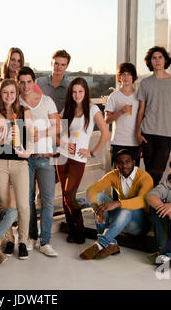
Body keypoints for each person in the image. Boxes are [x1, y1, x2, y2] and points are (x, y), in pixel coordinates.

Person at [57, 77, 110, 244]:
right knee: (65, 196)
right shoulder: (67, 109)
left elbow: (106, 133)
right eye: (74, 91)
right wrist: (65, 144)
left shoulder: (92, 109)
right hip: (61, 156)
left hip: (78, 160)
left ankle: (79, 233)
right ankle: (72, 231)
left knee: (70, 196)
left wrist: (92, 152)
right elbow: (58, 133)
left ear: (85, 92)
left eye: (80, 91)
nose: (77, 94)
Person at [17, 66, 61, 257]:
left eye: (29, 81)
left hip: (44, 157)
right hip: (25, 159)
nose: (25, 85)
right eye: (22, 82)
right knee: (27, 201)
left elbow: (58, 126)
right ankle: (31, 237)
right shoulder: (16, 101)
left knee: (48, 200)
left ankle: (45, 241)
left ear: (34, 82)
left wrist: (42, 134)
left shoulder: (46, 101)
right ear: (18, 83)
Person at [79, 149, 153, 260]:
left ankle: (101, 243)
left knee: (126, 209)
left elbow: (142, 201)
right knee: (99, 197)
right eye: (120, 163)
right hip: (120, 221)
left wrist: (117, 203)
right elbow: (91, 190)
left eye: (127, 162)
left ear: (134, 162)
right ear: (116, 165)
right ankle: (111, 244)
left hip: (139, 225)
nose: (124, 166)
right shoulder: (114, 175)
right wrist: (95, 208)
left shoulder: (145, 177)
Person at [0, 79, 34, 260]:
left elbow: (31, 139)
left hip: (19, 163)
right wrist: (1, 138)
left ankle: (22, 241)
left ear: (17, 94)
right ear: (0, 94)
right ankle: (8, 240)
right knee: (3, 203)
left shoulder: (24, 112)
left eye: (12, 92)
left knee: (23, 204)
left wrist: (26, 153)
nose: (9, 96)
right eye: (5, 92)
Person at [135, 46, 171, 186]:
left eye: (160, 57)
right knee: (150, 172)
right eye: (154, 58)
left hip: (166, 135)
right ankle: (149, 205)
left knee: (156, 174)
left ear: (166, 60)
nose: (157, 60)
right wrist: (138, 132)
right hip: (147, 134)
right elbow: (141, 111)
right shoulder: (145, 83)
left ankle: (147, 202)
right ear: (150, 62)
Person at [105, 62, 140, 167]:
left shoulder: (139, 96)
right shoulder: (114, 96)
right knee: (117, 176)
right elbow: (106, 120)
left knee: (133, 177)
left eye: (128, 74)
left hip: (135, 143)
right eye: (123, 74)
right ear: (119, 77)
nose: (125, 77)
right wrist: (120, 112)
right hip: (118, 142)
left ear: (133, 77)